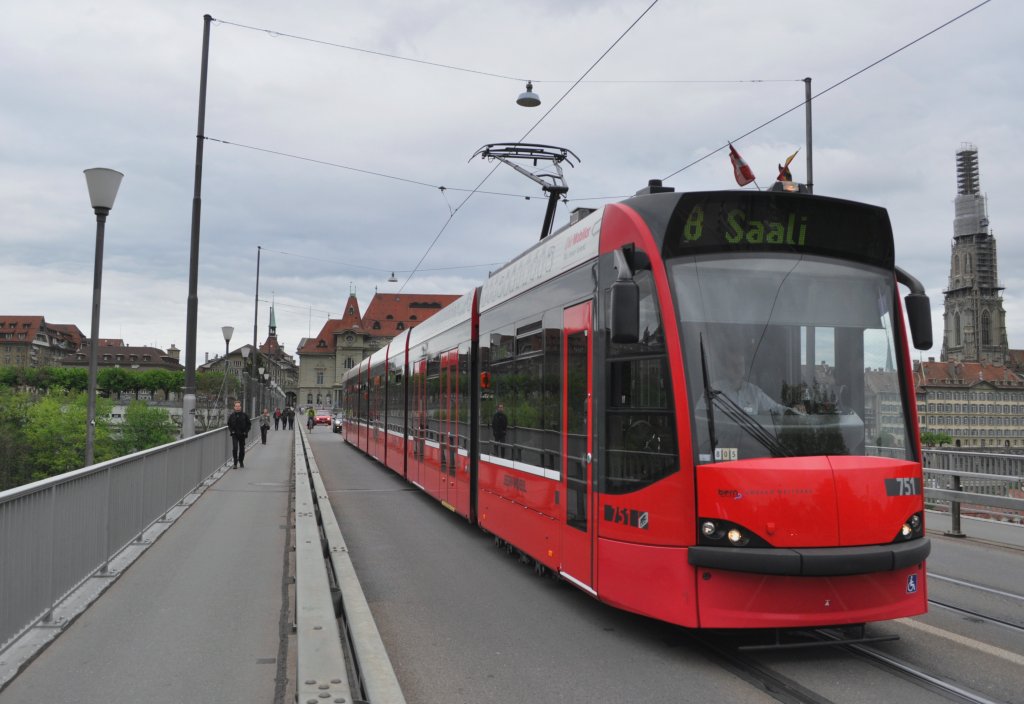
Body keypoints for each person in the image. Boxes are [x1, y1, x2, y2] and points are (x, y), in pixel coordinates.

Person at [711, 345, 795, 416]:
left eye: (740, 364)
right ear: (725, 368)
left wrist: (798, 414)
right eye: (733, 365)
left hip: (754, 435)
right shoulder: (714, 390)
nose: (737, 368)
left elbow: (776, 408)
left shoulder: (753, 392)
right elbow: (701, 414)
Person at [227, 401, 251, 468]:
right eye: (236, 406)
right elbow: (229, 424)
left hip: (242, 434)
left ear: (240, 407)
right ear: (234, 407)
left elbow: (249, 424)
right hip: (234, 434)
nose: (237, 407)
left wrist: (246, 432)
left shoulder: (244, 415)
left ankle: (241, 461)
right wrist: (231, 431)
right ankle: (235, 463)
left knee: (242, 449)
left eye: (238, 406)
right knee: (235, 448)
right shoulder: (232, 416)